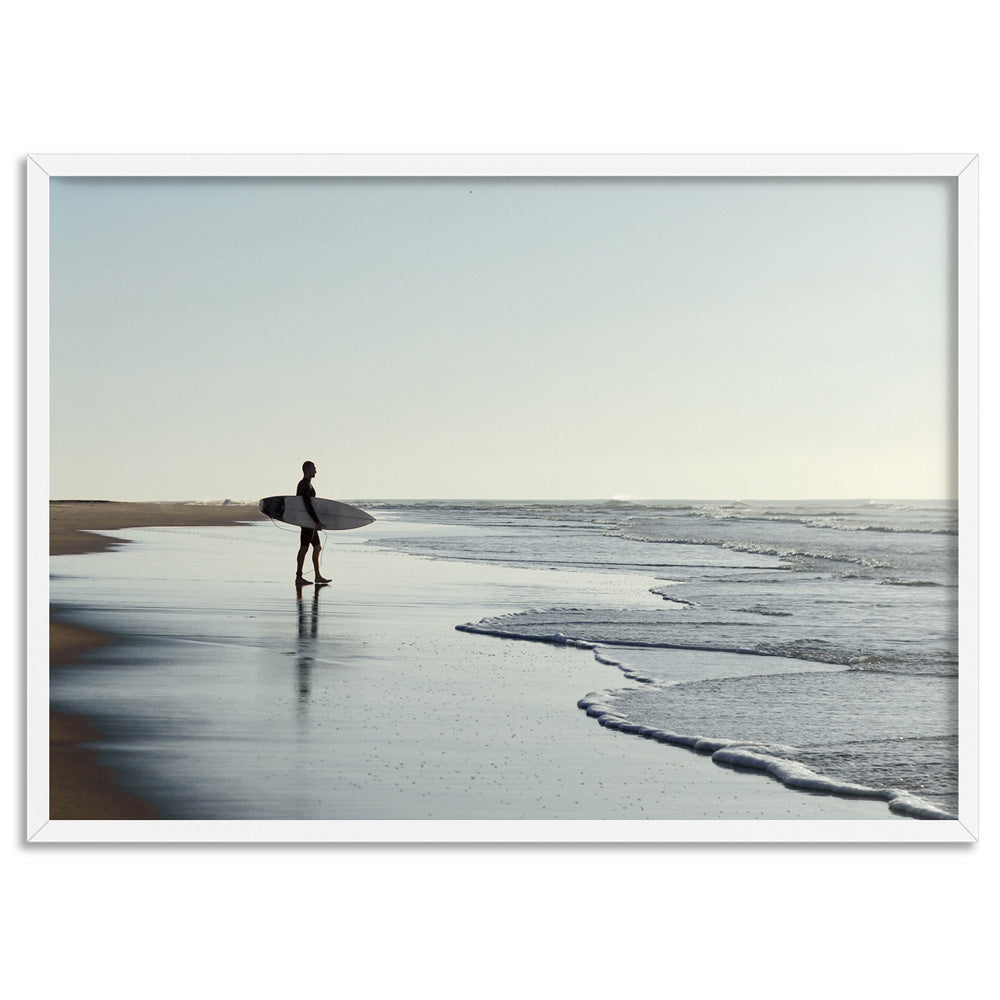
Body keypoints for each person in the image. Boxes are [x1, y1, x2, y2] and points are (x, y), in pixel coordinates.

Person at [295, 460, 330, 587]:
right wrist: (316, 522)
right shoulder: (304, 485)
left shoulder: (308, 485)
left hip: (310, 522)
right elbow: (307, 505)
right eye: (314, 468)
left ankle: (317, 576)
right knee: (304, 548)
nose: (316, 470)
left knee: (317, 547)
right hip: (307, 522)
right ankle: (299, 577)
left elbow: (311, 505)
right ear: (307, 470)